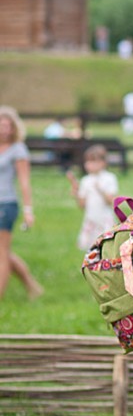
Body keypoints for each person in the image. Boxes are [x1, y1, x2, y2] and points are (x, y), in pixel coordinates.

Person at [0, 106, 43, 300]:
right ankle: (31, 285)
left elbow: (24, 182)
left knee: (2, 252)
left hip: (6, 204)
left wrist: (28, 210)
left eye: (8, 125)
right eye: (1, 125)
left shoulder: (18, 149)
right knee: (4, 252)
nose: (4, 129)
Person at [67, 145, 118, 251]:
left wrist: (100, 189)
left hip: (104, 219)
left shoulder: (109, 178)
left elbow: (110, 201)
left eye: (94, 161)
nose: (89, 165)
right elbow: (82, 205)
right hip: (91, 218)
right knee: (88, 247)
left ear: (103, 163)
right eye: (88, 162)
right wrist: (76, 191)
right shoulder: (86, 180)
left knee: (106, 246)